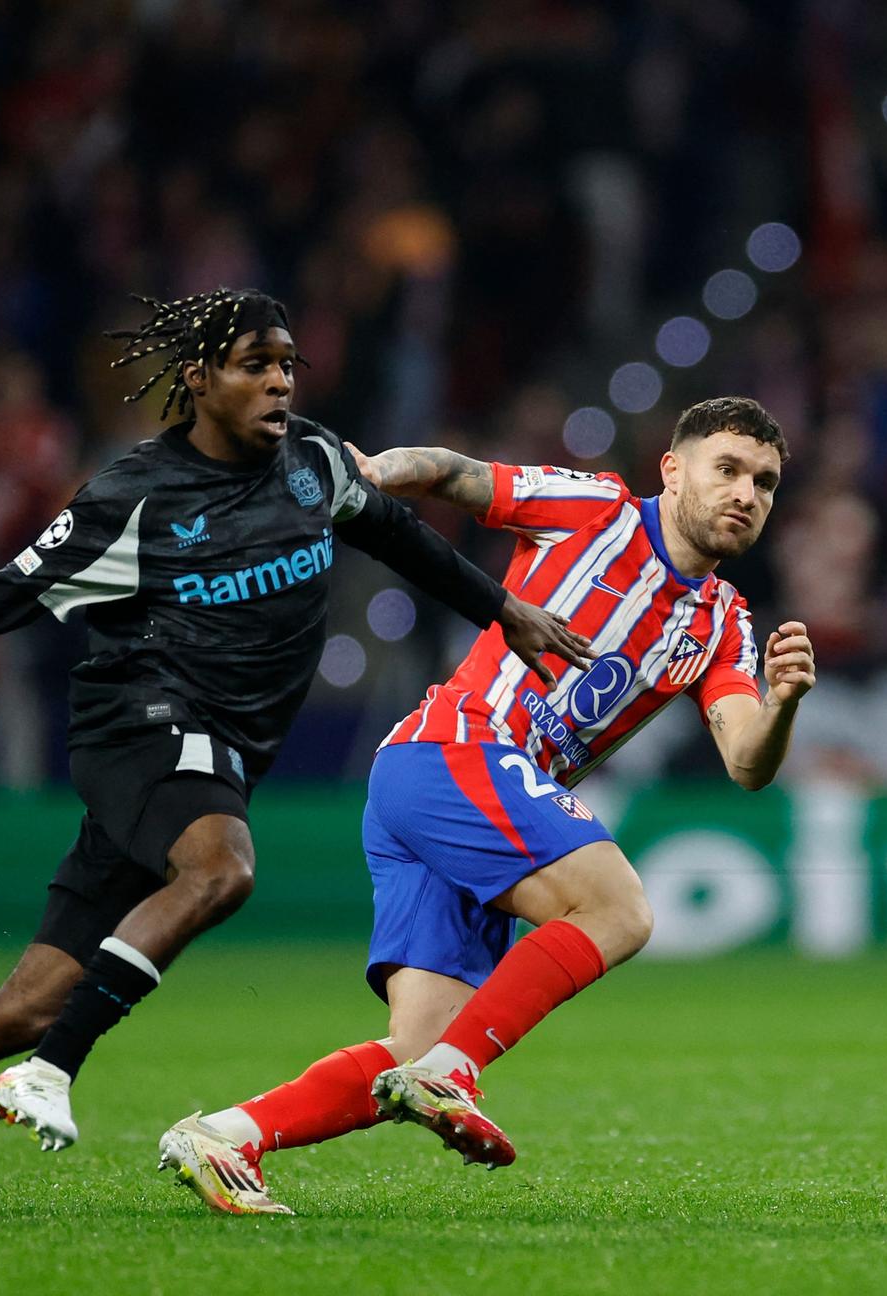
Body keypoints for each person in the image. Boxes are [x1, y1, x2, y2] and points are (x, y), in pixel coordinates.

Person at [158, 395, 816, 1216]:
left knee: (421, 1041)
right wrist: (368, 475)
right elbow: (456, 476)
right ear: (673, 469)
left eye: (765, 482)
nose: (746, 494)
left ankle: (226, 1133)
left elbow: (747, 761)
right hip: (456, 751)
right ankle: (451, 1076)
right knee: (619, 908)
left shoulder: (723, 625)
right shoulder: (598, 511)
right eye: (728, 470)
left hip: (457, 794)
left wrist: (783, 701)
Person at [0, 287, 591, 1153]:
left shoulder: (313, 462)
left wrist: (504, 607)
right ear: (199, 379)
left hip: (218, 752)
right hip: (139, 725)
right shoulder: (130, 499)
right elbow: (5, 595)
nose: (279, 385)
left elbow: (397, 535)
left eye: (285, 366)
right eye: (255, 367)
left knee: (25, 1006)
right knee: (222, 870)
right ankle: (53, 1072)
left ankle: (33, 1046)